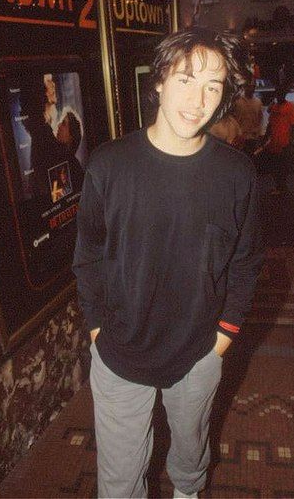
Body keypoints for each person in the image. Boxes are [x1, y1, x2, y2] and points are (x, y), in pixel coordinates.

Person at [73, 27, 264, 499]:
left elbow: (245, 263)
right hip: (119, 351)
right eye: (185, 79)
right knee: (118, 485)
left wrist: (223, 338)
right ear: (158, 81)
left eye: (212, 87)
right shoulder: (108, 164)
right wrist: (97, 327)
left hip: (199, 350)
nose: (197, 100)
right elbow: (89, 255)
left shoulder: (238, 173)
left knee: (190, 458)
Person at [254, 85, 294, 194]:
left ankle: (282, 188)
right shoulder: (274, 107)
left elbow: (293, 126)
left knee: (282, 167)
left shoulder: (291, 108)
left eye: (281, 94)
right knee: (274, 166)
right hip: (273, 143)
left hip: (284, 143)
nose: (279, 96)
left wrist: (290, 142)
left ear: (284, 95)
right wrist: (265, 138)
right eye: (277, 94)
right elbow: (270, 124)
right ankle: (278, 187)